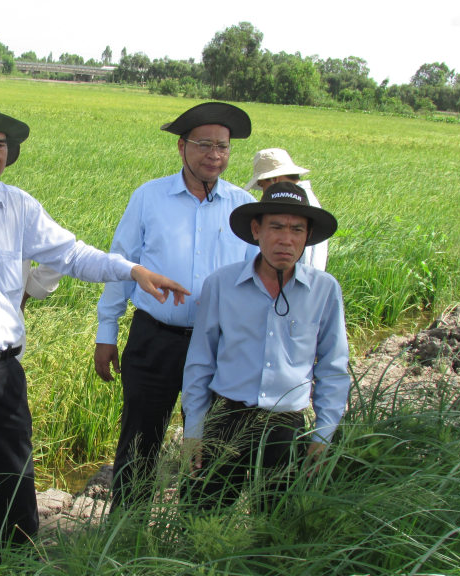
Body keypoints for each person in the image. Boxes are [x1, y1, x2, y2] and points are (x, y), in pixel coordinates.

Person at [0, 99, 189, 563]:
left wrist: (132, 271)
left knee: (15, 489)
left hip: (5, 373)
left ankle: (17, 566)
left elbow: (70, 254)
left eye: (1, 145)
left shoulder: (19, 206)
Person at [94, 102, 258, 510]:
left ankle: (195, 535)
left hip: (221, 347)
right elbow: (122, 264)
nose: (214, 155)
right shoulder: (149, 198)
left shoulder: (242, 208)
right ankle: (126, 534)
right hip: (155, 339)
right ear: (182, 147)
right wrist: (106, 332)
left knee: (211, 445)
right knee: (139, 441)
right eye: (204, 145)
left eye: (223, 147)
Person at [182, 181, 350, 511]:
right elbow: (200, 362)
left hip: (285, 425)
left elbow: (332, 369)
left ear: (308, 237)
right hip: (225, 419)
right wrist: (194, 429)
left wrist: (323, 434)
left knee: (273, 527)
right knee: (201, 516)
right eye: (276, 227)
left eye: (296, 230)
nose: (286, 239)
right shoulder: (222, 284)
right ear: (256, 230)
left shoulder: (324, 291)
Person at [244, 148, 328, 271]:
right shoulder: (307, 199)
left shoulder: (301, 205)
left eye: (263, 185)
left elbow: (305, 260)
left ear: (275, 179)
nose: (263, 193)